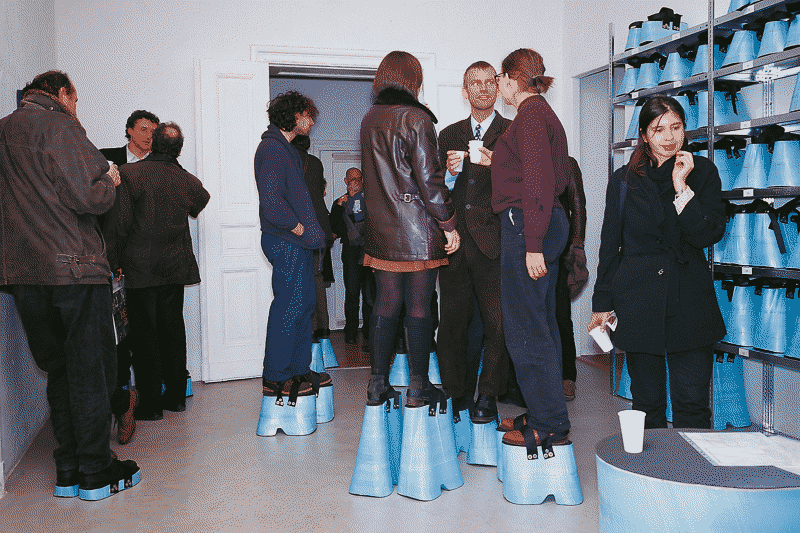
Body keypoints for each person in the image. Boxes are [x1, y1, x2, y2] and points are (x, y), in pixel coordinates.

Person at [0, 70, 140, 500]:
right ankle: (96, 472)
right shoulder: (60, 125)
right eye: (75, 100)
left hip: (23, 273)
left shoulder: (4, 130)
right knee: (89, 370)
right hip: (74, 269)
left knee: (58, 369)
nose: (76, 108)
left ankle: (69, 468)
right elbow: (89, 197)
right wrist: (112, 180)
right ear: (63, 94)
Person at [589, 95, 727, 429]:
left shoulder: (703, 172)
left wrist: (682, 188)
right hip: (638, 300)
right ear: (644, 134)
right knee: (646, 404)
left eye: (676, 127)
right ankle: (651, 477)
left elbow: (708, 234)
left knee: (692, 404)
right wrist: (601, 303)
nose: (669, 136)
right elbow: (611, 244)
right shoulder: (623, 180)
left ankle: (692, 478)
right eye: (658, 128)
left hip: (689, 299)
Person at [360, 51, 460, 407]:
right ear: (413, 81)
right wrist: (448, 223)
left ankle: (377, 384)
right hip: (417, 230)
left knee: (385, 304)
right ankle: (418, 386)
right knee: (419, 305)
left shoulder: (370, 118)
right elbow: (430, 181)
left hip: (381, 231)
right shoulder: (417, 118)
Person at [492, 49, 572, 454]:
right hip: (540, 220)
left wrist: (533, 244)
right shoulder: (539, 114)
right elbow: (534, 172)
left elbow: (539, 180)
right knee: (541, 324)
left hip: (528, 224)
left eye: (498, 80)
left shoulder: (528, 115)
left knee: (526, 328)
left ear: (510, 78)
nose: (497, 88)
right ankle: (546, 411)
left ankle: (549, 422)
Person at [109, 122, 210, 420]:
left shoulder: (130, 174)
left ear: (153, 143)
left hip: (140, 268)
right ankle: (177, 397)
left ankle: (151, 405)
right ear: (178, 149)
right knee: (173, 330)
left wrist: (112, 262)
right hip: (174, 267)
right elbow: (199, 202)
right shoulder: (187, 180)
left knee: (144, 335)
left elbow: (119, 224)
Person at [437, 60, 513, 423]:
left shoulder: (511, 132)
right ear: (465, 91)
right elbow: (434, 191)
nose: (482, 89)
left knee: (498, 324)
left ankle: (488, 395)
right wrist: (449, 177)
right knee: (452, 324)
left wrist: (496, 162)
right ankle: (456, 394)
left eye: (488, 82)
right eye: (474, 84)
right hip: (454, 244)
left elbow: (523, 187)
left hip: (496, 243)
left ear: (497, 89)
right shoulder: (448, 134)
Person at [254, 91, 329, 406]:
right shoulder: (271, 148)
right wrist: (298, 227)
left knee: (304, 305)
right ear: (293, 115)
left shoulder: (286, 149)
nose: (311, 122)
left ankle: (298, 370)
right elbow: (272, 203)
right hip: (286, 240)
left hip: (296, 242)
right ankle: (276, 376)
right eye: (308, 115)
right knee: (289, 307)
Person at [100, 109, 160, 444]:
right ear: (128, 131)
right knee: (113, 332)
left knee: (143, 330)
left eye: (153, 129)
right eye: (143, 128)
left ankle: (146, 396)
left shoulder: (160, 166)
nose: (148, 134)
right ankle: (121, 393)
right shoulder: (105, 160)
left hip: (146, 261)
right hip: (108, 258)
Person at [291, 134, 334, 343]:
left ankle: (307, 333)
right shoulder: (315, 163)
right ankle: (323, 331)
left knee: (300, 281)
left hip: (301, 228)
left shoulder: (289, 160)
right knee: (317, 279)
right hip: (321, 228)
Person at [330, 168, 374, 349]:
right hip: (350, 253)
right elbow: (334, 229)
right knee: (352, 293)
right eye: (352, 179)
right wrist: (341, 206)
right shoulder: (340, 202)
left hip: (369, 252)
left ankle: (370, 331)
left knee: (371, 295)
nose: (355, 181)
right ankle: (350, 332)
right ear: (345, 181)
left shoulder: (371, 199)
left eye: (358, 178)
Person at [557, 157, 588, 401]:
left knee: (560, 314)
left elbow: (578, 206)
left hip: (559, 247)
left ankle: (568, 376)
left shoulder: (566, 163)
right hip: (523, 244)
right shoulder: (520, 156)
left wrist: (577, 245)